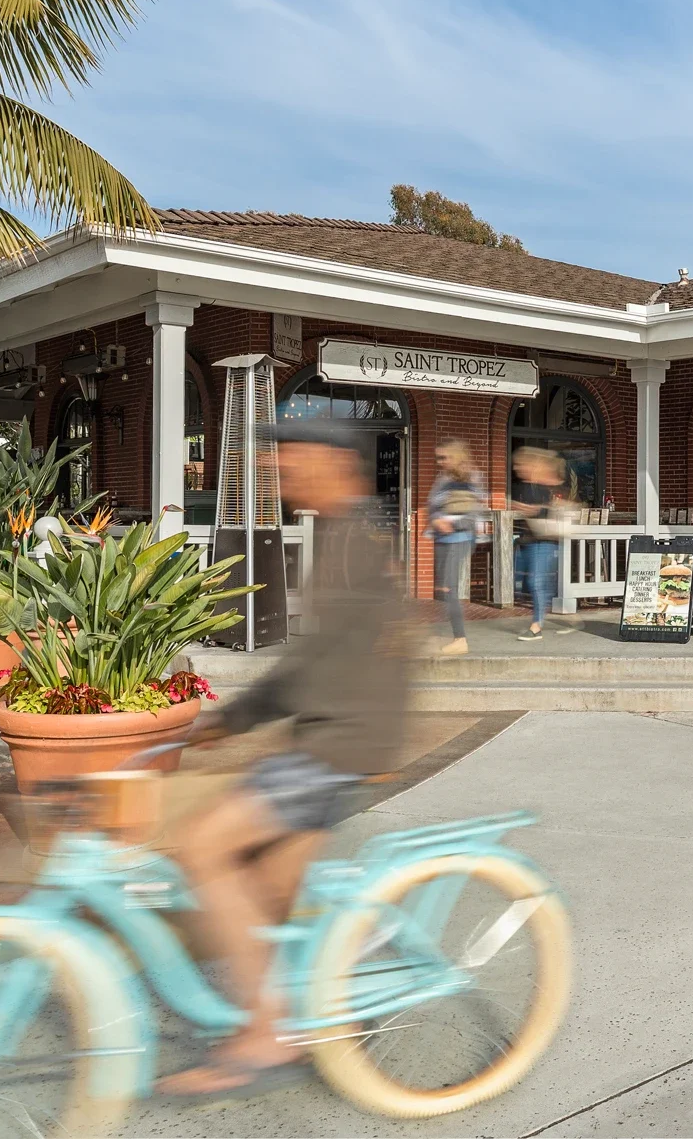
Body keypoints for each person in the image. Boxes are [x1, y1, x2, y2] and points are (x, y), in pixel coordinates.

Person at [159, 421, 415, 1100]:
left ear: (339, 464)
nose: (283, 471)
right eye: (280, 459)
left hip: (337, 742)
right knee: (269, 888)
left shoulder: (353, 541)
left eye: (295, 458)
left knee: (202, 848)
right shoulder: (348, 532)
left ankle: (269, 1031)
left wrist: (233, 719)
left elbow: (313, 663)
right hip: (343, 734)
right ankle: (330, 997)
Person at [426, 438, 485, 656]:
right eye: (438, 457)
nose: (440, 461)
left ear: (457, 456)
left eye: (444, 457)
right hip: (441, 537)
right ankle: (450, 632)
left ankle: (460, 639)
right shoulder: (443, 478)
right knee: (442, 589)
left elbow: (475, 513)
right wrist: (436, 519)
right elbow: (432, 504)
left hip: (459, 538)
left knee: (450, 589)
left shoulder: (472, 477)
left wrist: (452, 523)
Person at [509, 445, 567, 640]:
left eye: (520, 464)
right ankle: (570, 619)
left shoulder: (548, 485)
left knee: (536, 581)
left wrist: (534, 509)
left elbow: (555, 507)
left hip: (545, 539)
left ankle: (536, 626)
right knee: (524, 583)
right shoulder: (523, 487)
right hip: (528, 539)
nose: (517, 468)